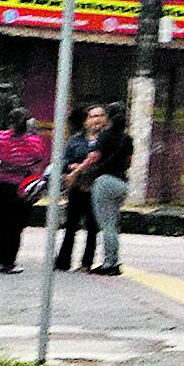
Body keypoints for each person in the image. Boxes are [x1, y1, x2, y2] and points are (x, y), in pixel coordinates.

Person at [0, 107, 51, 273]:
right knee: (16, 225)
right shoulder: (35, 143)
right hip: (22, 188)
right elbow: (37, 165)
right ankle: (8, 261)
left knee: (0, 221)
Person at [54, 103, 109, 272]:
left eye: (100, 116)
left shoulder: (108, 140)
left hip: (97, 188)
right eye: (93, 116)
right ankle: (63, 261)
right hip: (77, 188)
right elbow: (64, 160)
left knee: (93, 228)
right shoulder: (76, 140)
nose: (97, 120)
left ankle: (87, 263)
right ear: (86, 121)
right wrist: (71, 167)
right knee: (71, 226)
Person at [84, 104, 134, 276]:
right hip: (122, 183)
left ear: (109, 119)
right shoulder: (128, 139)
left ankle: (109, 263)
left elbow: (94, 158)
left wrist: (79, 172)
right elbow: (129, 162)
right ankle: (114, 260)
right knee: (113, 224)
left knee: (107, 225)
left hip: (105, 182)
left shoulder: (104, 137)